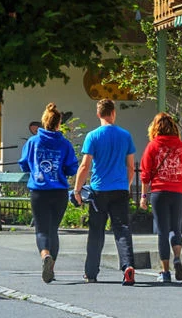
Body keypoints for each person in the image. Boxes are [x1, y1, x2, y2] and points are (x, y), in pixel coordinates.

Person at [72, 98, 137, 285]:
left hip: (99, 190)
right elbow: (131, 166)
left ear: (98, 114)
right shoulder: (125, 135)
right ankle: (128, 266)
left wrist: (77, 189)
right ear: (113, 112)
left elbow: (85, 165)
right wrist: (127, 184)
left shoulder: (93, 136)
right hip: (119, 189)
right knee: (122, 230)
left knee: (96, 232)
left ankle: (91, 272)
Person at [19, 103, 79, 284]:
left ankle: (45, 255)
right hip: (59, 191)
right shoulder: (65, 143)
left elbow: (23, 163)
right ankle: (51, 268)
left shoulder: (33, 142)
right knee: (54, 230)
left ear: (44, 122)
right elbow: (71, 167)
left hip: (39, 191)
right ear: (59, 123)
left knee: (42, 229)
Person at [140, 112, 182, 283]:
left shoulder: (152, 147)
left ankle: (165, 272)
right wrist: (179, 181)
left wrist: (143, 196)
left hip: (159, 193)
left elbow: (145, 174)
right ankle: (177, 257)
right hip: (178, 192)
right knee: (176, 228)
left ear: (155, 128)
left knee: (162, 231)